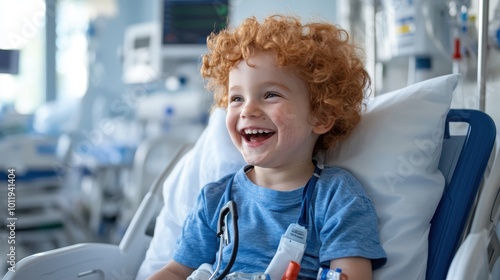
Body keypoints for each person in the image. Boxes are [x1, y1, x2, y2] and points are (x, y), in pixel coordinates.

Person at [148, 14, 386, 280]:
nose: (248, 109)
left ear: (321, 115)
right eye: (237, 98)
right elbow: (176, 272)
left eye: (271, 94)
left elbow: (351, 274)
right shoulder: (215, 200)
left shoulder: (336, 197)